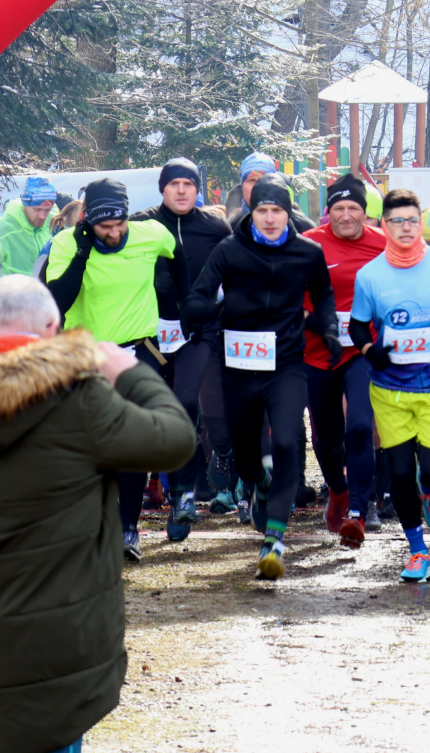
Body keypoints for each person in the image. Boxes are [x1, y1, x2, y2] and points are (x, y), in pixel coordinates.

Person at [0, 276, 194, 753]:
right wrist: (130, 374)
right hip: (56, 663)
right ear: (52, 330)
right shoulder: (79, 399)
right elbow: (175, 439)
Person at [183, 174, 341, 580]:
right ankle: (259, 481)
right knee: (248, 458)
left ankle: (274, 539)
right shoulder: (230, 250)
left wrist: (328, 329)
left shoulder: (306, 252)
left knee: (286, 441)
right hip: (238, 367)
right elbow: (198, 297)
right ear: (251, 213)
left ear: (288, 214)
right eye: (263, 211)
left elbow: (323, 295)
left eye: (277, 211)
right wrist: (212, 312)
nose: (270, 219)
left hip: (286, 364)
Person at [44, 177, 187, 562]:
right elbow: (56, 302)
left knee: (131, 445)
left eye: (119, 224)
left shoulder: (150, 233)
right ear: (88, 219)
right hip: (84, 357)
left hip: (136, 355)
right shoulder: (67, 243)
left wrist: (186, 303)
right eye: (104, 226)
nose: (113, 232)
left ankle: (127, 529)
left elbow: (178, 256)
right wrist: (83, 253)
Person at [350, 189, 430, 582]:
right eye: (397, 221)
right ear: (384, 225)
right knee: (401, 472)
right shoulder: (370, 275)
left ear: (421, 223)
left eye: (412, 220)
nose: (405, 228)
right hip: (390, 390)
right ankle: (418, 551)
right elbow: (357, 326)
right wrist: (370, 351)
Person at [130, 157, 233, 541]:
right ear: (162, 189)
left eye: (188, 184)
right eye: (173, 184)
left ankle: (186, 493)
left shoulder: (215, 227)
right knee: (154, 414)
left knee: (186, 404)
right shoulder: (141, 224)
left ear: (197, 189)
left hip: (197, 332)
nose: (181, 190)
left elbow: (233, 275)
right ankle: (172, 496)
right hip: (150, 333)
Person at [302, 174, 387, 547]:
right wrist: (316, 322)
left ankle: (359, 511)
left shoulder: (382, 244)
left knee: (361, 427)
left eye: (354, 208)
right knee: (326, 436)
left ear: (365, 213)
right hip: (317, 351)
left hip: (362, 350)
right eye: (339, 208)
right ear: (328, 211)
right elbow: (287, 293)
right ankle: (338, 488)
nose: (347, 215)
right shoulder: (308, 244)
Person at [228, 153, 315, 233]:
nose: (257, 185)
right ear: (242, 186)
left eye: (264, 178)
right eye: (251, 180)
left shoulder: (302, 226)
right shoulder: (230, 228)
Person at [0, 175, 56, 276]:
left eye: (47, 210)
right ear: (25, 204)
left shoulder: (54, 224)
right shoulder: (3, 229)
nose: (42, 216)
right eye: (37, 209)